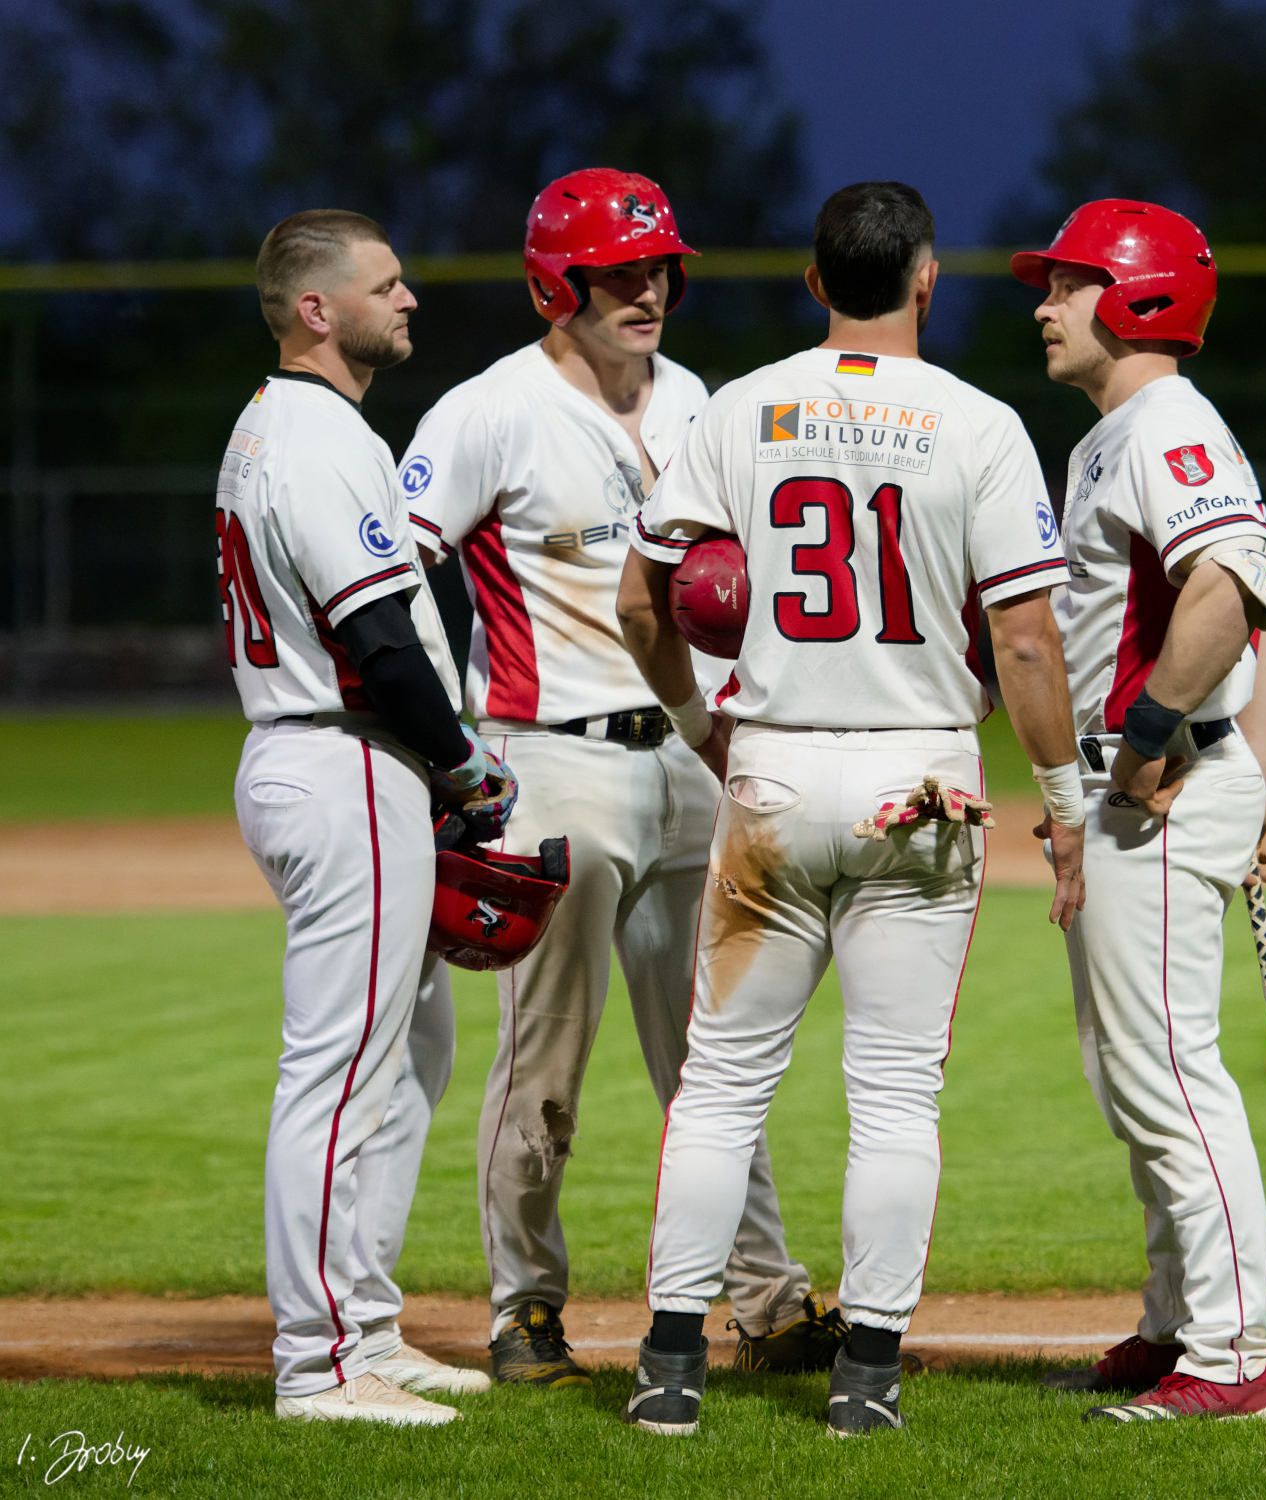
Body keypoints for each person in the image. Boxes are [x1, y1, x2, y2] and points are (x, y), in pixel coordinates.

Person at [616, 179, 1086, 1438]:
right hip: (919, 781)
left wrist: (703, 723)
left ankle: (669, 1370)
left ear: (816, 282)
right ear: (928, 280)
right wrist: (1063, 802)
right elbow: (1025, 641)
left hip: (772, 769)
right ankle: (866, 1379)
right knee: (894, 1096)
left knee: (721, 1087)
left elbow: (643, 603)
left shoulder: (739, 407)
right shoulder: (980, 422)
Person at [400, 168, 830, 1388]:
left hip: (693, 752)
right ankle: (526, 1308)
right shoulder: (487, 412)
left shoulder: (698, 401)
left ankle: (765, 1300)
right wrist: (448, 741)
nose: (647, 291)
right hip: (553, 764)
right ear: (556, 284)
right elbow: (396, 567)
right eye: (617, 274)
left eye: (659, 270)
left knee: (715, 1054)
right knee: (544, 1060)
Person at [1011, 198, 1266, 1423]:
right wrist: (1244, 778)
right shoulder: (1119, 433)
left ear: (1137, 296)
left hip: (1159, 788)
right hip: (1142, 788)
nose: (1045, 305)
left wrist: (1144, 743)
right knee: (1130, 1073)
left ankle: (1231, 1361)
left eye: (1068, 283)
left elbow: (1228, 594)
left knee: (1169, 1076)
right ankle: (1178, 1322)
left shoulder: (1167, 423)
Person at [220, 210, 509, 1425]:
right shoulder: (316, 438)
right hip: (347, 760)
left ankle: (367, 1328)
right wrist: (464, 769)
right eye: (384, 285)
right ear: (316, 309)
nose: (409, 299)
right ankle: (319, 1362)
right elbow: (378, 641)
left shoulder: (281, 425)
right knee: (338, 1073)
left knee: (410, 1053)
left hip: (332, 758)